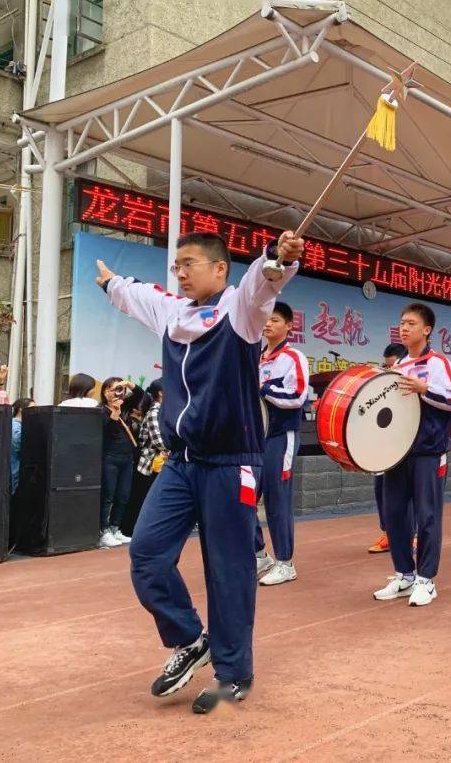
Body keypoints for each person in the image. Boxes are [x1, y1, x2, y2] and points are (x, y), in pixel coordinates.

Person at [96, 228, 304, 714]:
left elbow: (264, 280)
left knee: (229, 571)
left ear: (219, 269)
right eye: (177, 265)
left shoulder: (242, 310)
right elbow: (137, 295)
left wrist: (278, 256)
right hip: (181, 464)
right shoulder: (174, 313)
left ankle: (234, 673)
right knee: (145, 551)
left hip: (233, 464)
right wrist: (109, 284)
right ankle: (190, 638)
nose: (180, 272)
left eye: (189, 263)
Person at [372, 303, 451, 607]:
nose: (404, 327)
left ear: (427, 330)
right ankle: (404, 574)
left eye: (411, 323)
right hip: (398, 453)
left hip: (428, 451)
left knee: (427, 515)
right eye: (401, 322)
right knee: (395, 513)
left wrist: (425, 388)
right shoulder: (397, 368)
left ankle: (426, 579)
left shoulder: (438, 363)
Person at [254, 302, 310, 586]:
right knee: (243, 498)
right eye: (265, 319)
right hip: (253, 439)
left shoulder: (293, 357)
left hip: (280, 436)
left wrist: (264, 390)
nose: (268, 324)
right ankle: (260, 553)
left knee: (277, 500)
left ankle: (286, 562)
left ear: (289, 326)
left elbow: (298, 396)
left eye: (275, 320)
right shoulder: (256, 356)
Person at [368, 343, 409, 553]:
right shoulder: (380, 385)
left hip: (406, 448)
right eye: (387, 366)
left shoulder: (411, 383)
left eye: (394, 366)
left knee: (407, 493)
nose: (390, 370)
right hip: (383, 447)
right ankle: (388, 533)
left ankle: (412, 536)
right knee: (380, 489)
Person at [99, 377, 144, 548]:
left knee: (123, 495)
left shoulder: (125, 405)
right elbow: (104, 431)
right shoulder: (101, 410)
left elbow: (140, 394)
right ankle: (103, 531)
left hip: (127, 458)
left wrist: (126, 384)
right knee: (108, 496)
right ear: (104, 392)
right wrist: (114, 413)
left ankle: (115, 527)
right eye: (112, 389)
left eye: (119, 389)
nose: (117, 392)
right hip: (110, 457)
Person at [124, 380, 166, 538]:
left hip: (161, 462)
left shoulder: (164, 411)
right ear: (160, 392)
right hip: (148, 463)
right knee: (142, 497)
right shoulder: (154, 412)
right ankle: (130, 529)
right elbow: (159, 441)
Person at [10, 398, 34, 494]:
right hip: (15, 468)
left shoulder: (14, 424)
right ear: (21, 409)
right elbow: (19, 447)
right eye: (32, 409)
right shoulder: (16, 426)